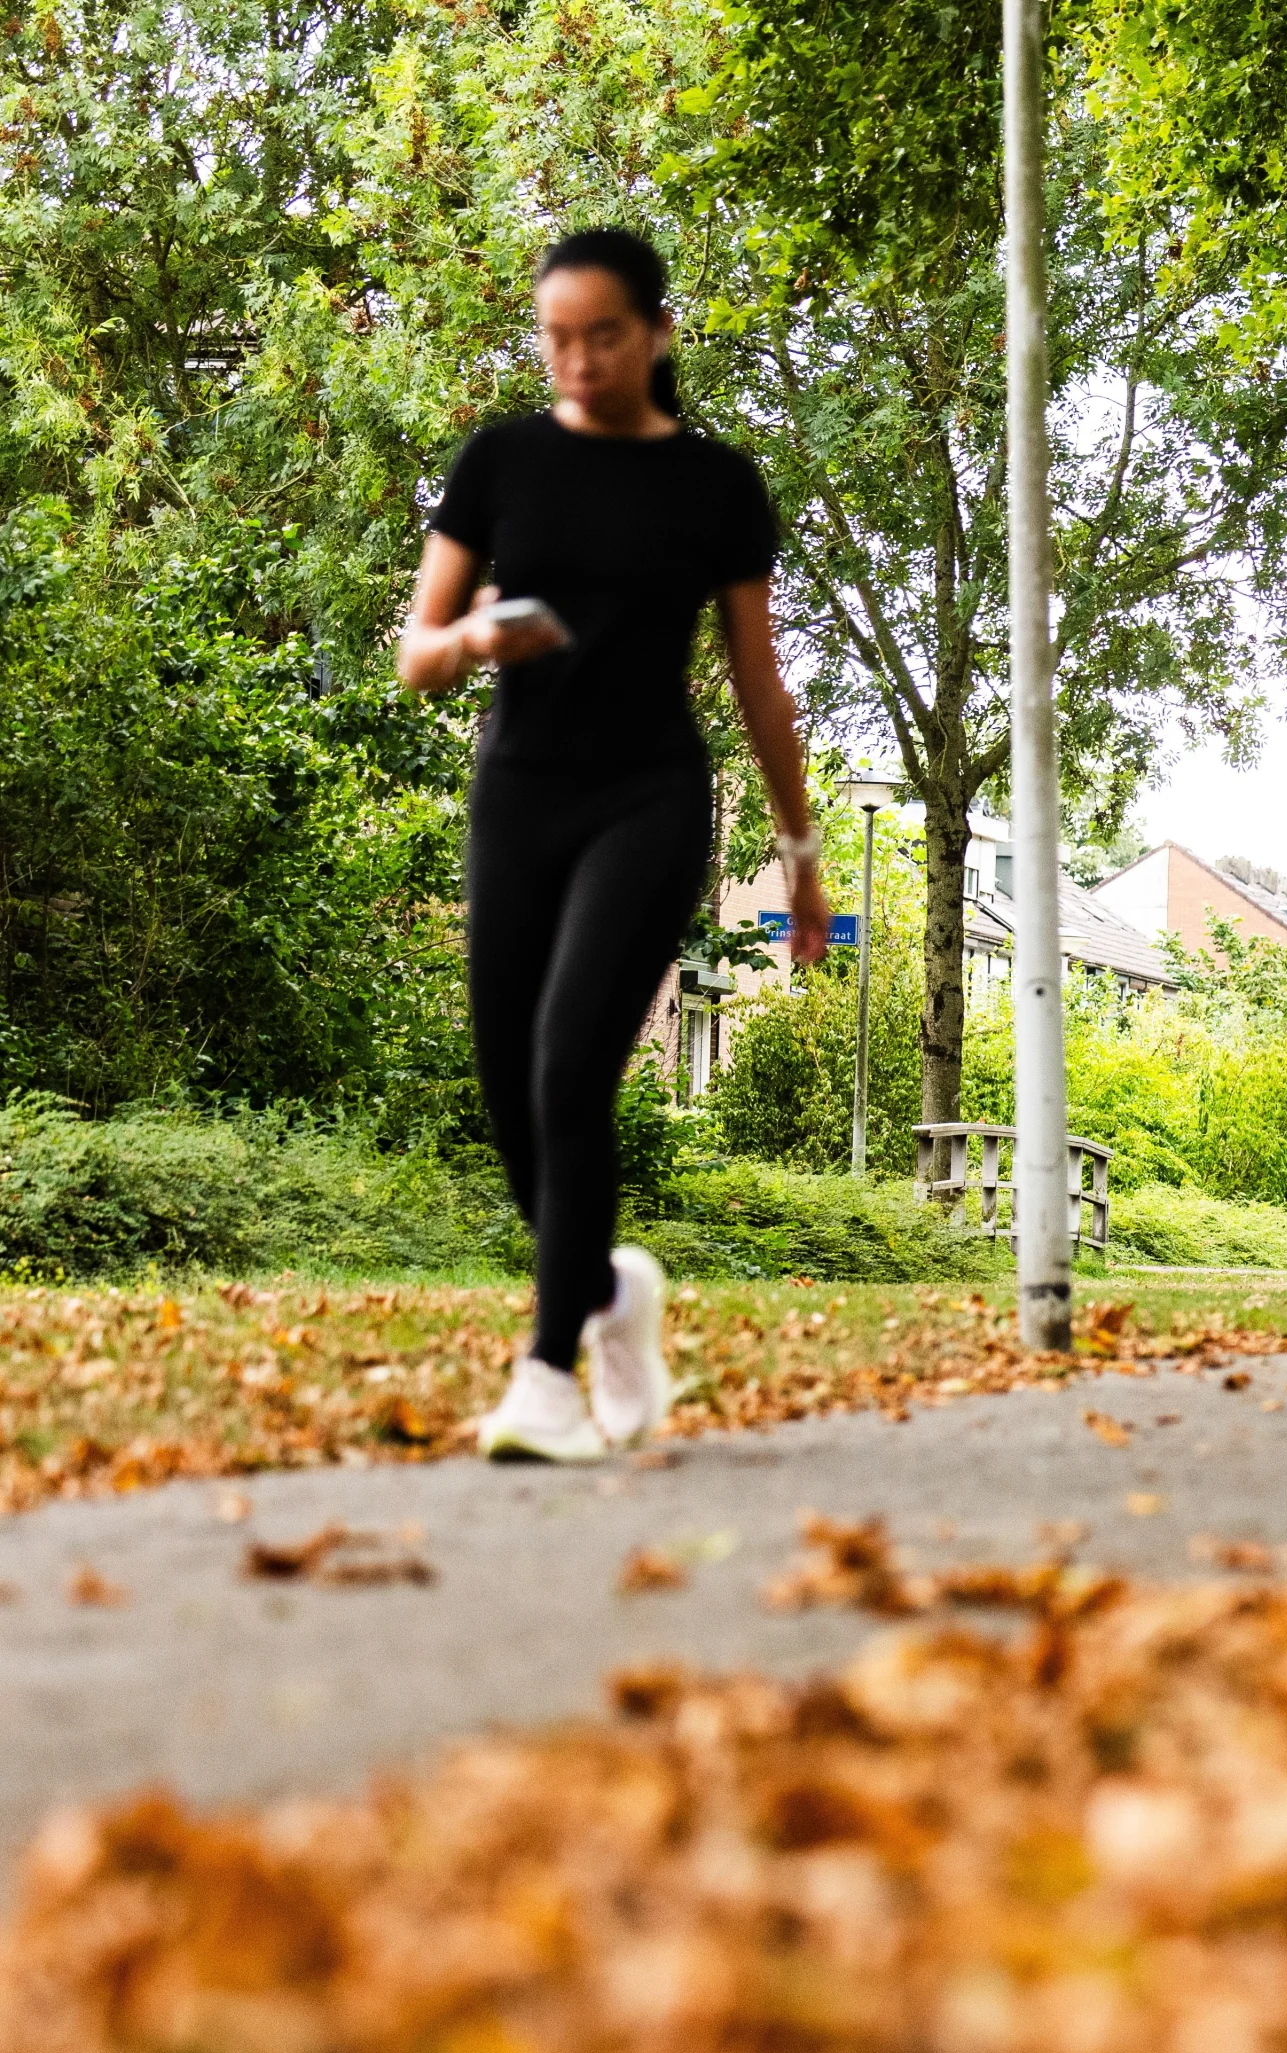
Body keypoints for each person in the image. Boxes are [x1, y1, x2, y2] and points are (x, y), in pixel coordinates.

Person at [396, 228, 825, 1464]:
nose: (578, 360)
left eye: (604, 335)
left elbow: (760, 685)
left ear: (657, 334)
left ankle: (545, 1378)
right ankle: (610, 1298)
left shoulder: (718, 487)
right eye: (558, 337)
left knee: (571, 1068)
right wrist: (479, 640)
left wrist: (799, 855)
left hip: (650, 796)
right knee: (508, 1093)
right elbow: (416, 653)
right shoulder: (503, 462)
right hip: (519, 793)